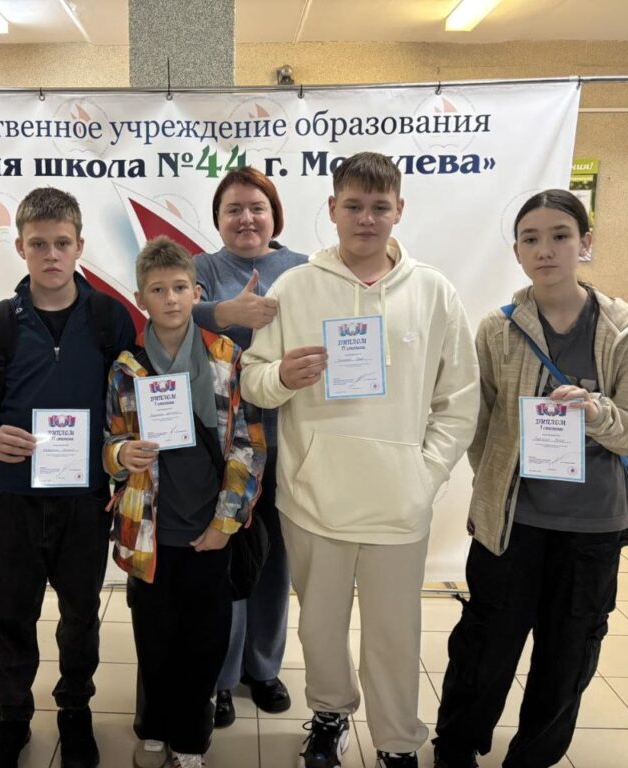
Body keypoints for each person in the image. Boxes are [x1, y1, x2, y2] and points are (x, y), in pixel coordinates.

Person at [241, 152, 480, 768]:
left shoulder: (433, 291)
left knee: (394, 634)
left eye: (380, 207)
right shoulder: (296, 287)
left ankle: (397, 741)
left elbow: (459, 401)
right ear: (332, 209)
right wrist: (282, 377)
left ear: (399, 210)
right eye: (354, 205)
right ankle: (329, 715)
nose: (366, 219)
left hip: (399, 502)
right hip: (313, 496)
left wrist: (424, 474)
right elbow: (251, 379)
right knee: (319, 627)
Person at [431, 189, 628, 768]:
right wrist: (490, 491)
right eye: (530, 239)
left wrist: (597, 412)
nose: (545, 250)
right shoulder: (499, 329)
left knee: (569, 649)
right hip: (514, 521)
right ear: (516, 251)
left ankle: (533, 756)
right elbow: (481, 425)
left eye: (560, 236)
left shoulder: (624, 330)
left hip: (593, 526)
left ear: (585, 243)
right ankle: (456, 747)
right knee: (486, 641)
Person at [0, 187, 136, 768]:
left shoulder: (109, 319)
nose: (51, 255)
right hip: (14, 499)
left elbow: (127, 406)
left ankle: (75, 711)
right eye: (38, 244)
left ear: (80, 245)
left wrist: (123, 460)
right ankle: (12, 718)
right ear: (20, 247)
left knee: (80, 616)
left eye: (62, 243)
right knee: (10, 617)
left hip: (85, 501)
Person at [104, 236, 266, 768]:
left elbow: (247, 444)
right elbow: (110, 441)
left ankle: (191, 739)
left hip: (208, 529)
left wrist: (226, 521)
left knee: (204, 640)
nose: (170, 298)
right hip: (149, 530)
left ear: (197, 293)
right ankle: (154, 725)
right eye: (157, 290)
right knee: (154, 638)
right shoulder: (127, 367)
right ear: (140, 298)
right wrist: (121, 453)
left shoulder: (226, 357)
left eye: (179, 287)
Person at [190, 167, 307, 728]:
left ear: (274, 215)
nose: (246, 218)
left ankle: (264, 667)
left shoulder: (304, 268)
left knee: (274, 561)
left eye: (257, 207)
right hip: (223, 445)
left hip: (289, 442)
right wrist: (224, 313)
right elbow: (168, 314)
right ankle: (221, 675)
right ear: (218, 219)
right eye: (233, 209)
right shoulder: (201, 269)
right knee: (227, 559)